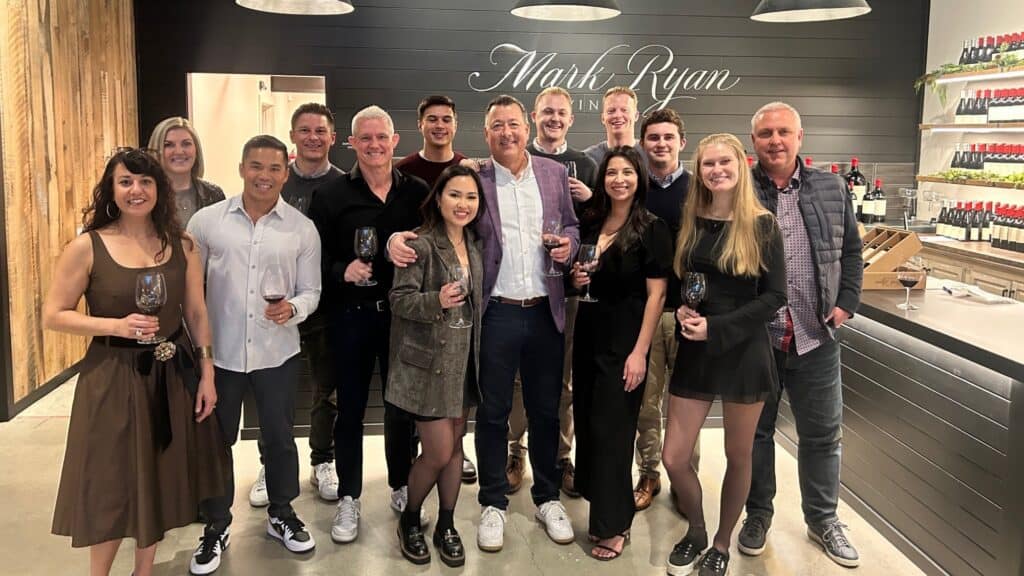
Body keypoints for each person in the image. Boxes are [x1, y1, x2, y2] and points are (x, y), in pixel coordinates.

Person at [389, 95, 579, 553]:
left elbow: (572, 227)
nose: (507, 133)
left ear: (527, 128)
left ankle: (547, 496)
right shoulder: (477, 178)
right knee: (492, 412)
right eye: (497, 126)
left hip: (545, 309)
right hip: (495, 312)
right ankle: (493, 501)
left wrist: (569, 247)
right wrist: (395, 237)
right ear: (486, 133)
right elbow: (443, 221)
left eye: (513, 124)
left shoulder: (554, 174)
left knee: (546, 410)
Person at [44, 148, 231, 576]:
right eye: (126, 181)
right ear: (111, 189)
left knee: (159, 474)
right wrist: (115, 325)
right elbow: (54, 315)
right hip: (111, 376)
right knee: (111, 481)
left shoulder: (183, 244)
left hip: (172, 372)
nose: (136, 190)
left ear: (159, 189)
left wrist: (206, 373)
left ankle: (143, 571)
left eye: (146, 181)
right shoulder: (87, 246)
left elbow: (196, 312)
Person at [189, 135, 322, 574]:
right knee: (216, 442)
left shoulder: (301, 228)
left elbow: (311, 291)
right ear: (242, 168)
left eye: (274, 168)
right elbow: (192, 291)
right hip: (220, 356)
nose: (264, 176)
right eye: (256, 166)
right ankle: (216, 524)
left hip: (277, 353)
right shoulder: (207, 223)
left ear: (286, 173)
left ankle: (281, 513)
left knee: (280, 439)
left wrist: (294, 309)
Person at [739, 102, 863, 568]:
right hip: (759, 338)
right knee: (757, 434)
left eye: (783, 132)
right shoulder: (739, 188)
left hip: (816, 335)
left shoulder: (831, 187)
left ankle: (823, 519)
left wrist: (846, 302)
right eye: (765, 133)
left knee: (822, 435)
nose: (775, 140)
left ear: (799, 137)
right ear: (753, 141)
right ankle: (757, 514)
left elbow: (851, 251)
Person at [663, 133, 787, 576]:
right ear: (699, 171)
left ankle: (720, 544)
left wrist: (716, 328)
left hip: (743, 350)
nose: (717, 170)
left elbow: (774, 297)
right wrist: (683, 308)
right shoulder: (692, 220)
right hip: (695, 349)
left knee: (739, 455)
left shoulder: (762, 225)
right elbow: (688, 282)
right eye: (708, 164)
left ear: (740, 166)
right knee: (674, 457)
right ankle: (696, 530)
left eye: (724, 163)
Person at [309, 105, 429, 545]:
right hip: (350, 318)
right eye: (366, 138)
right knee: (350, 411)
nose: (374, 145)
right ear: (352, 143)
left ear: (395, 141)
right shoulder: (330, 195)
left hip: (402, 319)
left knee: (401, 411)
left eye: (382, 137)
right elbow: (313, 258)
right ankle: (349, 496)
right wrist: (341, 270)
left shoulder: (417, 192)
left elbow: (434, 246)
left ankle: (400, 484)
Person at [570, 146, 671, 560]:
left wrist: (640, 352)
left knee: (614, 430)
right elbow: (579, 277)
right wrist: (576, 278)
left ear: (639, 178)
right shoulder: (592, 221)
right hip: (588, 335)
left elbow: (657, 295)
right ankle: (600, 506)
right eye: (612, 173)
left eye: (627, 172)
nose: (619, 180)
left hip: (625, 341)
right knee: (589, 423)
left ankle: (615, 525)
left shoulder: (651, 228)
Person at [387, 165, 486, 567]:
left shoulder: (475, 244)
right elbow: (399, 300)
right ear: (439, 198)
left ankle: (447, 523)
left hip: (464, 358)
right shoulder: (421, 243)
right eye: (455, 195)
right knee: (438, 451)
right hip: (429, 365)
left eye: (471, 197)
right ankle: (410, 518)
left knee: (456, 447)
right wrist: (436, 301)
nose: (463, 204)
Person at [248, 102, 345, 507]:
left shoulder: (344, 185)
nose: (312, 137)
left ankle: (323, 460)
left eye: (320, 131)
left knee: (327, 391)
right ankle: (271, 464)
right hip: (274, 309)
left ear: (332, 137)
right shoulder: (275, 182)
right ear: (292, 136)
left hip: (327, 308)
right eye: (304, 130)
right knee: (273, 392)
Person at [506, 86, 598, 498]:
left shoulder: (585, 165)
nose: (554, 118)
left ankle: (561, 457)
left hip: (567, 290)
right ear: (534, 117)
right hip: (520, 288)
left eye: (561, 113)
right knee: (517, 379)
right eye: (547, 112)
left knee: (563, 381)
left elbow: (595, 225)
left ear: (571, 119)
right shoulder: (515, 158)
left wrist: (589, 201)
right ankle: (515, 451)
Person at [395, 94, 478, 485]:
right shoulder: (404, 172)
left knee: (453, 435)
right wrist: (394, 239)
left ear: (456, 124)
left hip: (459, 334)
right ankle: (407, 485)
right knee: (425, 428)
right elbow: (400, 230)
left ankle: (446, 506)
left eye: (447, 118)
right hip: (420, 312)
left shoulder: (468, 168)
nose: (440, 125)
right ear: (421, 124)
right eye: (432, 119)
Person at [634, 108, 699, 512]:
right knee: (646, 402)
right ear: (643, 144)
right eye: (653, 137)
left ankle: (685, 477)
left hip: (691, 314)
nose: (660, 144)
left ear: (681, 142)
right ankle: (649, 472)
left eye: (668, 137)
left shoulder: (700, 189)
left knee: (687, 401)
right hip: (646, 313)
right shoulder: (634, 189)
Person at [147, 117, 225, 226]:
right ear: (156, 150)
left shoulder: (213, 194)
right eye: (168, 145)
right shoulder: (145, 194)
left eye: (186, 144)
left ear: (196, 150)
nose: (179, 151)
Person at [582, 86, 646, 168]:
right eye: (611, 111)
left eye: (624, 110)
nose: (617, 115)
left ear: (636, 116)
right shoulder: (587, 159)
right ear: (603, 118)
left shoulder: (650, 155)